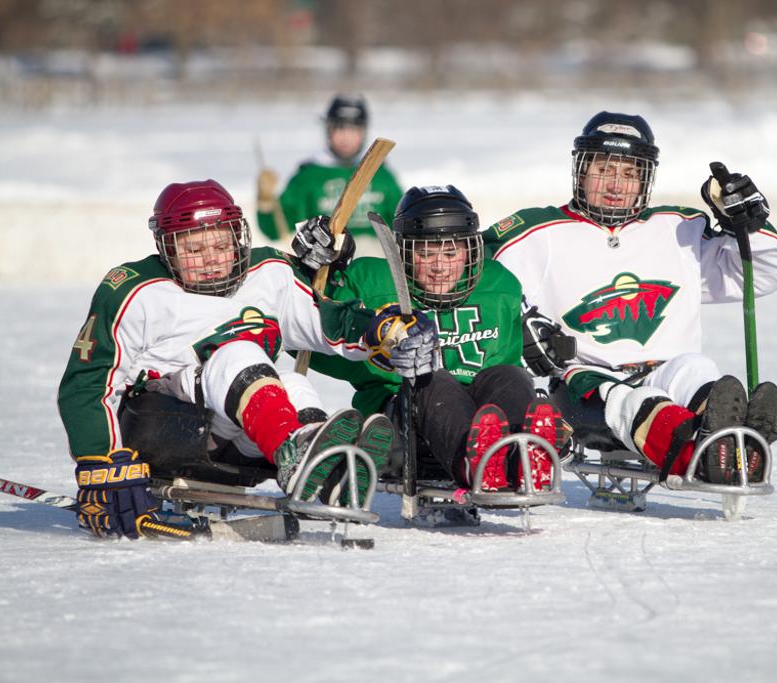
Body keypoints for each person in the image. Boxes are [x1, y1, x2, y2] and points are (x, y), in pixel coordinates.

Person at [57, 179, 437, 539]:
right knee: (240, 353)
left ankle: (325, 471)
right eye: (194, 250)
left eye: (221, 245)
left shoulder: (269, 272)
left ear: (239, 237)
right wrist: (102, 463)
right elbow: (89, 382)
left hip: (240, 440)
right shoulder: (134, 290)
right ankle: (297, 453)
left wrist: (380, 329)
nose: (210, 260)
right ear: (167, 249)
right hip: (163, 428)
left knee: (293, 383)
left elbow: (327, 321)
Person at [482, 111, 777, 486]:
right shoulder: (535, 233)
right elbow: (468, 279)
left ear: (646, 178)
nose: (616, 184)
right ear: (581, 170)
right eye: (603, 170)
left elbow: (762, 276)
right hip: (585, 380)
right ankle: (706, 457)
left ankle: (730, 434)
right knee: (632, 403)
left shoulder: (680, 228)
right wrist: (518, 324)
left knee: (697, 369)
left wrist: (749, 226)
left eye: (630, 173)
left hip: (667, 367)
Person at [298, 185, 567, 492]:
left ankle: (520, 459)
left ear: (470, 250)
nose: (440, 266)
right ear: (403, 251)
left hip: (482, 422)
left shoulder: (499, 284)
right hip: (404, 430)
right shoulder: (372, 281)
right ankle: (473, 465)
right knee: (431, 379)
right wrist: (318, 268)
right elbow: (313, 327)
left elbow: (504, 364)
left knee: (509, 375)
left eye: (451, 253)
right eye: (425, 253)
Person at [256, 93, 402, 256]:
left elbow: (403, 224)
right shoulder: (308, 177)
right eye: (339, 128)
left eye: (354, 130)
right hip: (325, 264)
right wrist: (265, 202)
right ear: (328, 130)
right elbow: (275, 230)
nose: (346, 137)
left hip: (375, 263)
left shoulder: (381, 175)